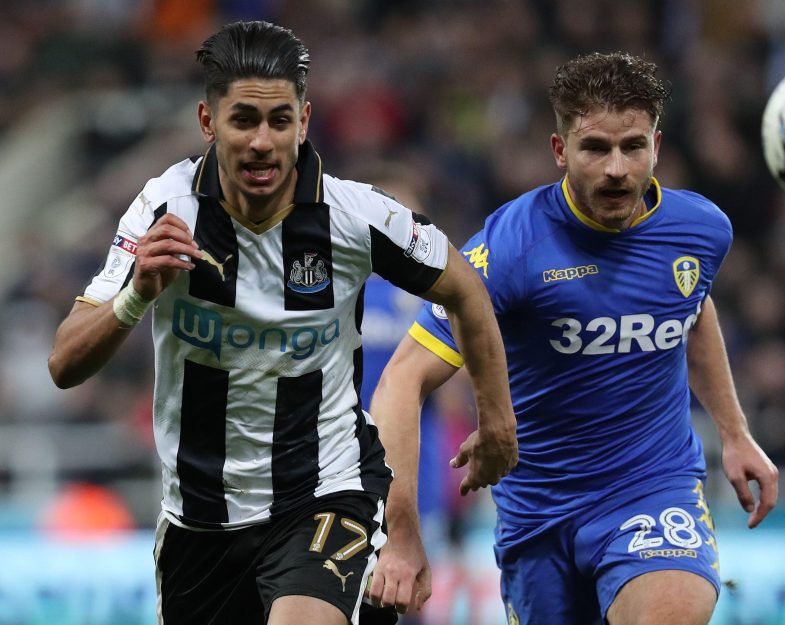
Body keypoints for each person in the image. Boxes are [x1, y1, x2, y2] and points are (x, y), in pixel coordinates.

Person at [46, 20, 517, 625]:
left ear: (305, 119)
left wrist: (496, 417)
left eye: (279, 121)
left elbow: (465, 289)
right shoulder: (164, 209)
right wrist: (136, 295)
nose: (262, 142)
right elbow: (63, 363)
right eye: (243, 120)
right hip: (199, 521)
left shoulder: (353, 216)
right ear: (207, 122)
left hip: (324, 492)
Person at [367, 52, 779, 625]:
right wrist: (402, 534)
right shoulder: (511, 249)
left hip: (653, 488)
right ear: (560, 151)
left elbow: (691, 308)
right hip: (538, 512)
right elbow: (403, 378)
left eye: (633, 146)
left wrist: (735, 433)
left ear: (656, 146)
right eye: (595, 149)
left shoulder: (701, 231)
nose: (616, 169)